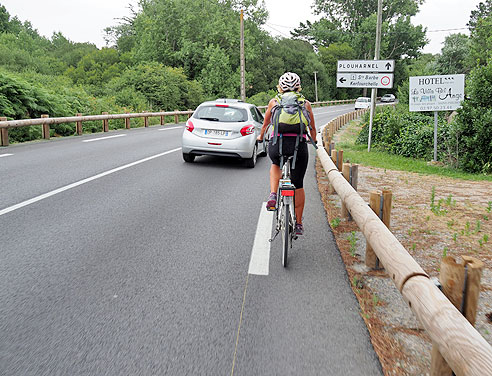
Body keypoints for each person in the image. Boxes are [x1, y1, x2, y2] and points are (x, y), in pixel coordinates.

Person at [257, 72, 317, 236]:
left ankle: (273, 194)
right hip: (299, 147)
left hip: (278, 145)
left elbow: (265, 125)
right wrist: (315, 141)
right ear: (299, 87)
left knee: (276, 164)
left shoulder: (274, 102)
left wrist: (261, 137)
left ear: (279, 87)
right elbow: (312, 128)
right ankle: (298, 223)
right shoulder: (305, 104)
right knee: (298, 184)